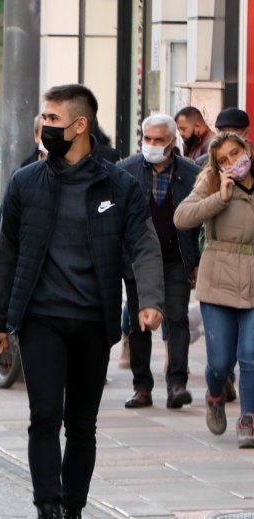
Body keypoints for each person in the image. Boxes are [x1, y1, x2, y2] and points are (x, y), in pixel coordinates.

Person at [0, 84, 164, 519]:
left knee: (81, 425)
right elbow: (7, 254)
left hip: (93, 320)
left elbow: (144, 244)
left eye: (52, 118)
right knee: (44, 416)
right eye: (43, 117)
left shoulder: (118, 185)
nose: (44, 126)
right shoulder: (26, 183)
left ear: (79, 125)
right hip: (41, 319)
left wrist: (149, 300)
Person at [174, 132, 254, 446]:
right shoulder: (210, 183)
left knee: (250, 355)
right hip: (218, 277)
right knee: (220, 362)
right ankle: (215, 393)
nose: (234, 162)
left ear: (247, 148)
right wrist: (219, 197)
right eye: (224, 159)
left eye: (236, 153)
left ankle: (248, 419)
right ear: (217, 165)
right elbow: (182, 217)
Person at [118, 114, 201, 411]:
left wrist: (196, 262)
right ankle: (142, 387)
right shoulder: (125, 171)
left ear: (172, 142)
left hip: (176, 258)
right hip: (138, 262)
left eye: (158, 140)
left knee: (177, 318)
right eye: (147, 139)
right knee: (141, 321)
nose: (151, 145)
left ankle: (176, 384)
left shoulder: (191, 174)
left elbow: (198, 223)